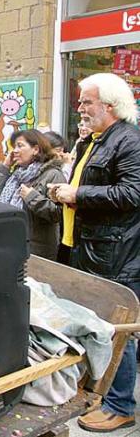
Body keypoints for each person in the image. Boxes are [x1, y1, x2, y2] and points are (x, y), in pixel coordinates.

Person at [47, 73, 140, 433]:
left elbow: (132, 194)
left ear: (110, 105)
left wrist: (78, 195)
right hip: (88, 247)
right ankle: (104, 394)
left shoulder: (129, 141)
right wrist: (67, 190)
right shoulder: (97, 140)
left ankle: (120, 405)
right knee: (99, 325)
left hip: (114, 253)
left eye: (86, 102)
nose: (80, 108)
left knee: (118, 329)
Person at [0, 130, 64, 260]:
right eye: (14, 146)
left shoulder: (53, 174)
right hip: (9, 243)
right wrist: (5, 166)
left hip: (37, 251)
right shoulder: (17, 174)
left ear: (35, 149)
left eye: (20, 146)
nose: (15, 151)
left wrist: (32, 197)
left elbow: (58, 213)